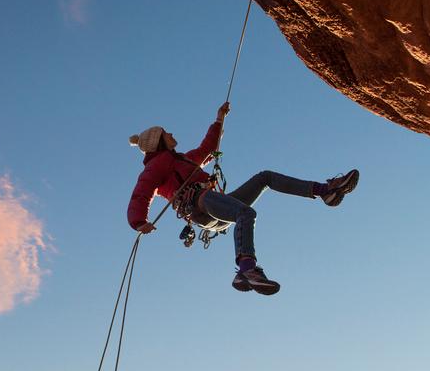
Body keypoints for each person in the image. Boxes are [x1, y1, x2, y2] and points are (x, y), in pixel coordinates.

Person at [127, 102, 359, 295]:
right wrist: (139, 220)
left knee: (264, 178)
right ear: (158, 140)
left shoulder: (184, 159)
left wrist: (219, 119)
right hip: (200, 203)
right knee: (246, 213)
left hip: (212, 208)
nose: (171, 134)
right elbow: (142, 191)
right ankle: (247, 269)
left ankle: (325, 191)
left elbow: (208, 148)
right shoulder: (157, 164)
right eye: (166, 133)